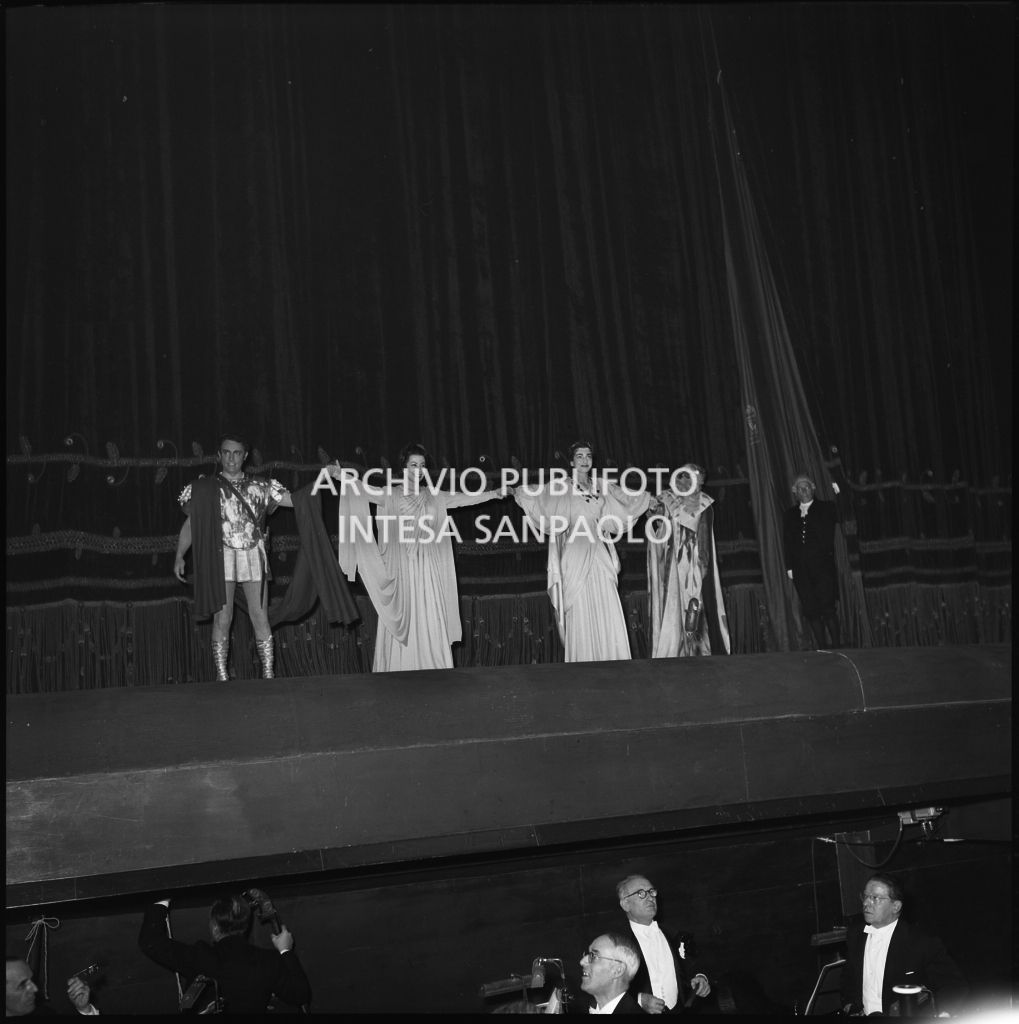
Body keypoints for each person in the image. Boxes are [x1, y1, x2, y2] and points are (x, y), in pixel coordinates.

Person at [331, 443, 510, 672]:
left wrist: (494, 494)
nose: (418, 469)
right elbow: (362, 489)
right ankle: (398, 667)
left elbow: (465, 497)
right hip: (402, 568)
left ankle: (433, 665)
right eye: (413, 464)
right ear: (404, 468)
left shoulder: (434, 496)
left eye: (422, 465)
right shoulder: (391, 494)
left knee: (431, 614)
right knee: (403, 614)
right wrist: (339, 474)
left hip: (430, 569)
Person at [515, 441, 650, 662]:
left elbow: (625, 501)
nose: (585, 460)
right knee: (579, 601)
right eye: (579, 456)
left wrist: (648, 500)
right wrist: (517, 492)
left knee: (605, 594)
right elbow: (539, 499)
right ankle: (583, 658)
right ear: (571, 461)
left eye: (588, 455)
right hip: (575, 550)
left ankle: (612, 656)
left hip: (598, 549)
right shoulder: (561, 487)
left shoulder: (601, 486)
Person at [175, 434, 293, 681]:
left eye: (236, 452)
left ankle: (269, 674)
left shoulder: (263, 487)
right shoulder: (206, 488)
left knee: (259, 615)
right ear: (219, 455)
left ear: (245, 456)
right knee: (223, 617)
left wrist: (329, 484)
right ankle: (221, 676)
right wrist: (179, 555)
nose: (231, 458)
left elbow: (298, 502)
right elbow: (191, 524)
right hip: (221, 558)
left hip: (253, 555)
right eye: (226, 452)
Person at [137, 895, 311, 1015]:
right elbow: (301, 995)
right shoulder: (268, 961)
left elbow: (150, 941)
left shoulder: (201, 957)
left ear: (214, 928)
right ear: (245, 927)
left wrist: (162, 900)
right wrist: (285, 951)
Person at [839, 874, 968, 1017]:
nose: (866, 903)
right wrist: (850, 1005)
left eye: (875, 898)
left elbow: (954, 985)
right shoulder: (855, 935)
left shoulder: (921, 942)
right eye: (865, 896)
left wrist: (944, 1015)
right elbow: (848, 978)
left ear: (896, 906)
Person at [647, 464, 730, 658]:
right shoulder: (667, 498)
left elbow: (704, 537)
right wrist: (653, 511)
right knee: (672, 603)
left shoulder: (704, 503)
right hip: (669, 562)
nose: (695, 483)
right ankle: (673, 647)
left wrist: (702, 563)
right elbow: (656, 521)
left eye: (698, 480)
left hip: (690, 562)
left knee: (693, 602)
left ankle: (697, 648)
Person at [616, 875, 711, 1014]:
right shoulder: (615, 944)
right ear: (625, 904)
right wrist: (639, 1000)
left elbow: (696, 963)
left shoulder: (676, 934)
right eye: (641, 893)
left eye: (652, 892)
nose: (650, 897)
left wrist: (701, 977)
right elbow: (604, 988)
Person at [782, 473, 842, 649]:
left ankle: (838, 647)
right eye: (800, 488)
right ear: (795, 493)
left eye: (806, 487)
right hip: (801, 570)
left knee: (828, 608)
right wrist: (789, 567)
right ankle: (822, 647)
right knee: (811, 610)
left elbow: (844, 510)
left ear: (813, 488)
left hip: (823, 568)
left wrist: (839, 491)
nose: (804, 490)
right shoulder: (790, 514)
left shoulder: (827, 508)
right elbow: (787, 541)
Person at [577, 934, 644, 1014]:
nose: (582, 961)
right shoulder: (579, 1008)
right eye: (587, 954)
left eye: (593, 956)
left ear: (618, 970)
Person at [5, 958, 97, 1016]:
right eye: (22, 985)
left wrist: (84, 1009)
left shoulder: (45, 1013)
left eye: (32, 980)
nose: (35, 989)